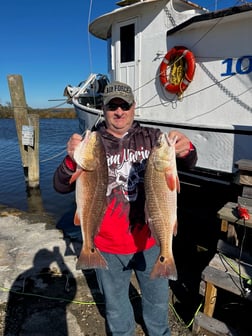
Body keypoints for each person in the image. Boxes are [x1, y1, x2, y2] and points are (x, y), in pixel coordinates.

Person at [53, 81, 197, 336]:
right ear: (103, 109)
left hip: (150, 242)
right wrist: (70, 157)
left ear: (133, 107)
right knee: (117, 308)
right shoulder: (94, 141)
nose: (119, 111)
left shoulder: (153, 137)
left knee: (157, 303)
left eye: (124, 105)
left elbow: (188, 164)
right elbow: (60, 186)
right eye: (112, 106)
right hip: (107, 246)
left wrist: (187, 150)